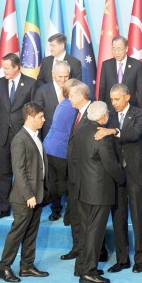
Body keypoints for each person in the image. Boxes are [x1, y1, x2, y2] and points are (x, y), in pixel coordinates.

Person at [95, 84, 142, 273]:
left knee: (138, 218)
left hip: (136, 173)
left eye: (117, 99)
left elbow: (135, 134)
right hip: (117, 175)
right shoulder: (108, 116)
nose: (113, 103)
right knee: (118, 219)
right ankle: (122, 259)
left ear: (127, 97)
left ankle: (139, 259)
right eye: (111, 99)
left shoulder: (140, 114)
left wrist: (113, 131)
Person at [0, 101, 49, 283]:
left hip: (37, 195)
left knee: (31, 233)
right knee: (17, 233)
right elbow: (18, 171)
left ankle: (27, 266)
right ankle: (3, 268)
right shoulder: (20, 139)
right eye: (41, 117)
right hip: (24, 198)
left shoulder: (35, 135)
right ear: (30, 117)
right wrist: (29, 195)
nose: (44, 119)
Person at [73, 101, 125, 283]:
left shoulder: (80, 130)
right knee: (95, 232)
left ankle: (81, 266)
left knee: (86, 230)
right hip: (99, 192)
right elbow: (111, 166)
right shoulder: (102, 137)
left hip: (82, 189)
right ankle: (88, 272)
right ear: (103, 116)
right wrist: (122, 179)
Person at [60, 83, 108, 263]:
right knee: (76, 213)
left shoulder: (95, 113)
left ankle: (95, 251)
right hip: (74, 175)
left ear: (82, 95)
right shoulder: (77, 114)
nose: (69, 98)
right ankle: (78, 247)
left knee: (91, 218)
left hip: (89, 177)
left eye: (72, 95)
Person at [0, 53, 36, 219]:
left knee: (23, 170)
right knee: (2, 172)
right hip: (3, 134)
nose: (4, 70)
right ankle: (3, 208)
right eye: (3, 67)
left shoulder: (31, 84)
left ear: (17, 67)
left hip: (22, 135)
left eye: (7, 68)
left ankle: (23, 205)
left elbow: (33, 111)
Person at [34, 60, 70, 221]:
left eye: (66, 76)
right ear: (53, 75)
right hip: (50, 145)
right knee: (53, 179)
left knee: (70, 178)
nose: (63, 80)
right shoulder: (42, 91)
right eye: (60, 76)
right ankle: (55, 208)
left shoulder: (74, 89)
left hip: (70, 144)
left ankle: (71, 210)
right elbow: (37, 119)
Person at [43, 79, 79, 221]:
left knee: (54, 182)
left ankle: (55, 211)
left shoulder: (63, 103)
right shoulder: (72, 106)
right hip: (60, 150)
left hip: (50, 147)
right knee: (68, 183)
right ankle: (69, 216)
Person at [99, 35, 142, 112]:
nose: (116, 52)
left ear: (126, 49)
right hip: (111, 110)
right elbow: (102, 89)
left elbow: (140, 91)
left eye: (119, 49)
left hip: (130, 109)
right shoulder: (106, 65)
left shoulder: (136, 65)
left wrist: (141, 113)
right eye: (114, 49)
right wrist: (100, 110)